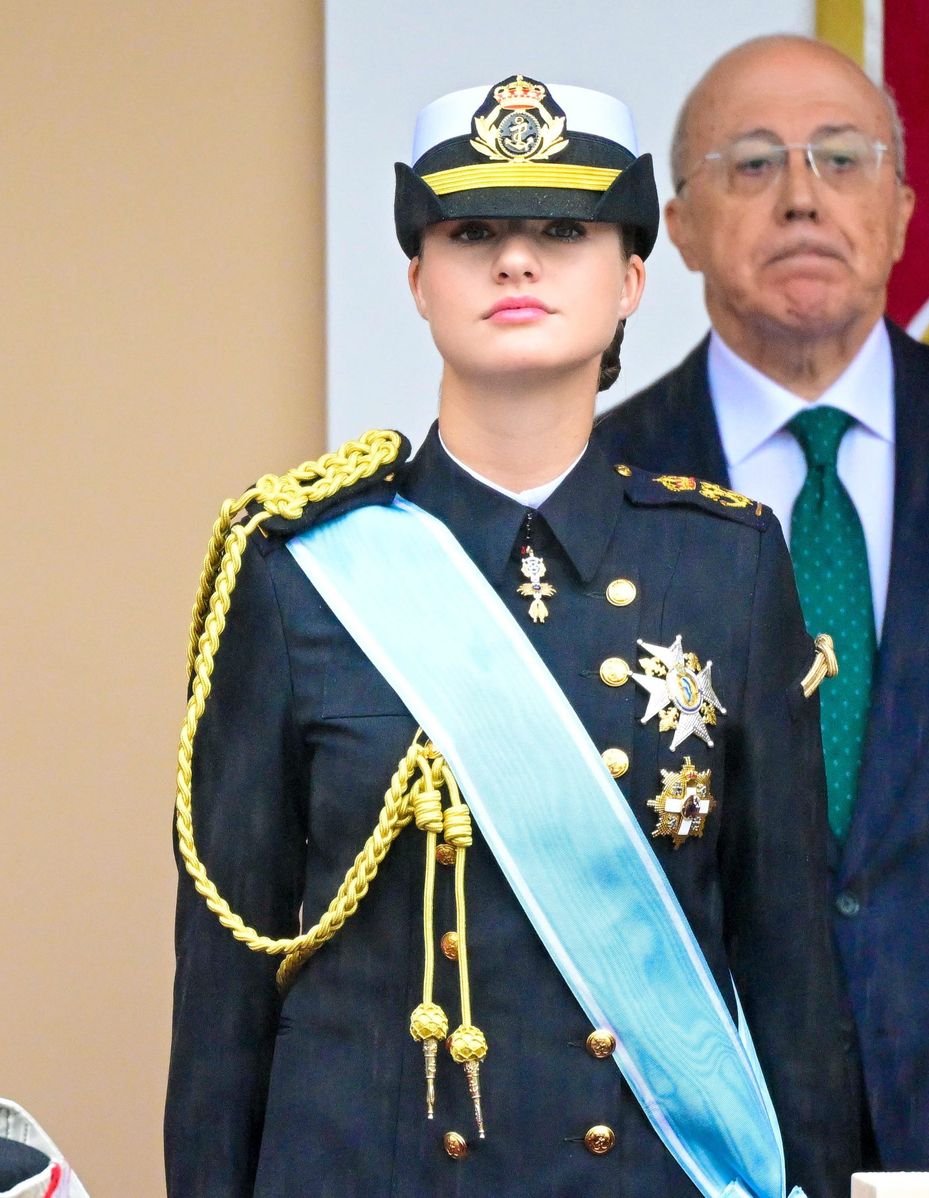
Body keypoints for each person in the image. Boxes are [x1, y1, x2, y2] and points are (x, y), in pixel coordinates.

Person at [166, 72, 858, 1197]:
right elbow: (222, 994)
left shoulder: (726, 566)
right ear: (417, 280)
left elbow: (791, 973)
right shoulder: (295, 570)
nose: (516, 261)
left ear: (632, 278)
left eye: (562, 231)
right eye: (473, 231)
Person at [594, 34, 929, 1172]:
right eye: (749, 164)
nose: (800, 197)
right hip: (693, 1135)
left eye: (841, 160)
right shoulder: (590, 486)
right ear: (674, 224)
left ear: (898, 207)